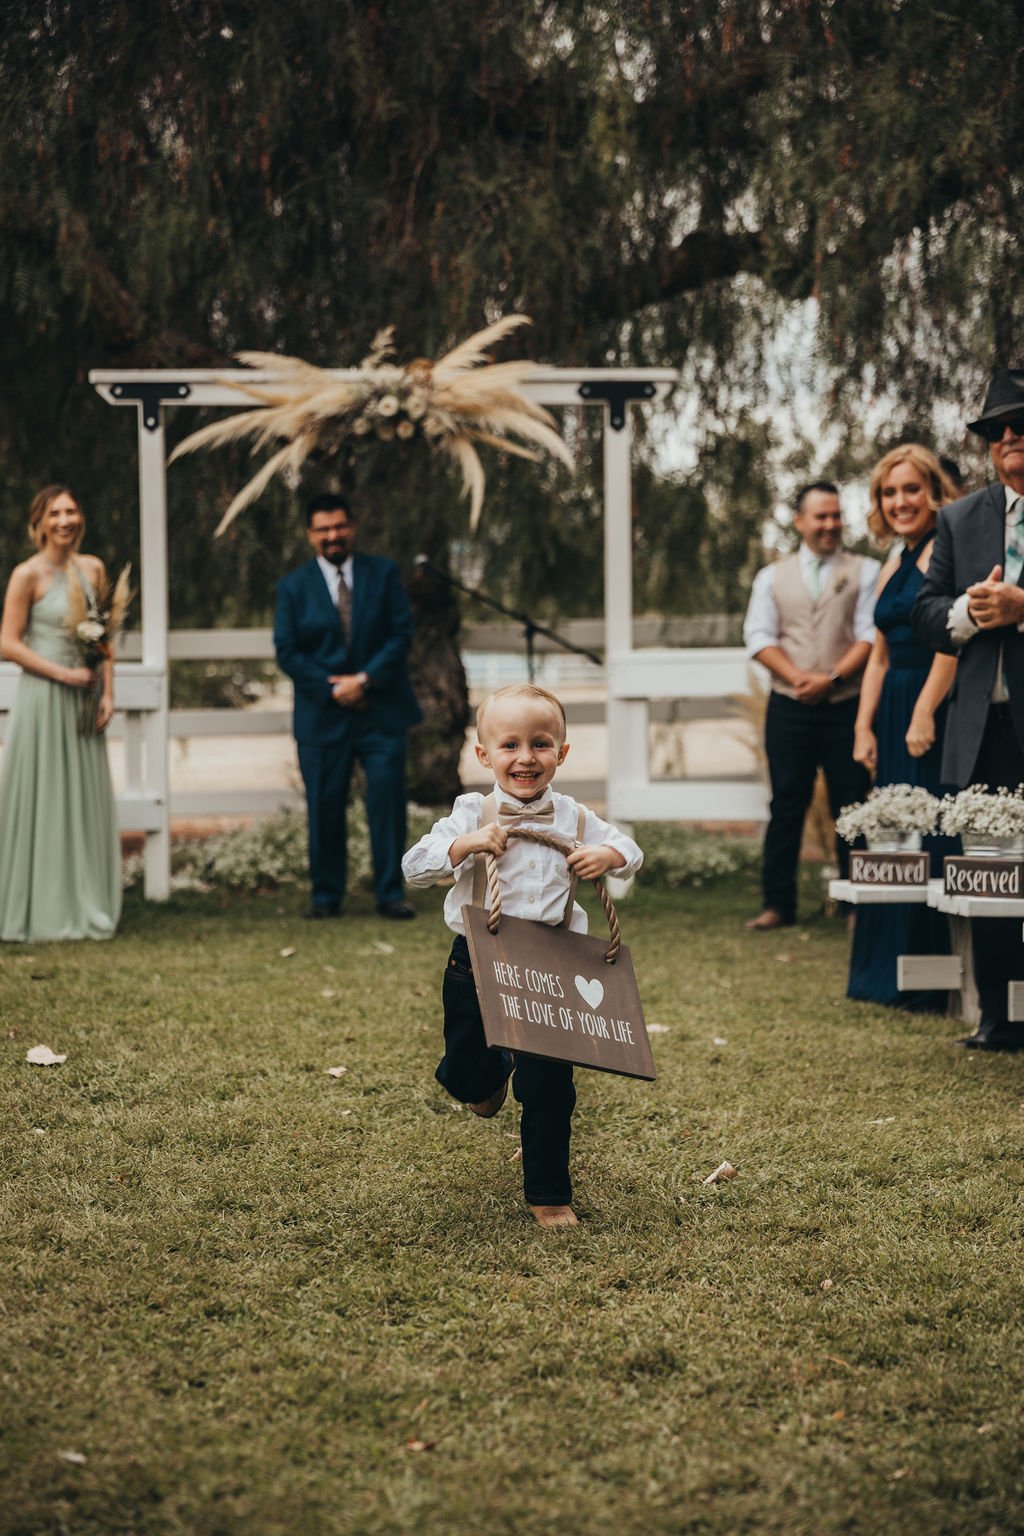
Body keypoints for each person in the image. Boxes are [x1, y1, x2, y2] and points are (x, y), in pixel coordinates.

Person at [402, 683, 643, 1230]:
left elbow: (631, 851)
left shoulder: (574, 818)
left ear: (562, 751)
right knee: (466, 1075)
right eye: (509, 745)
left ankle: (549, 1195)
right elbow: (414, 865)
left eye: (540, 744)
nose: (526, 757)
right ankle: (488, 1079)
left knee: (550, 1088)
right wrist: (465, 845)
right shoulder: (473, 811)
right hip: (476, 962)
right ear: (484, 754)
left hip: (551, 966)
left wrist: (606, 855)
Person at [913, 369, 1024, 1050]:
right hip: (982, 730)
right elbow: (924, 615)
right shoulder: (959, 519)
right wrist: (972, 612)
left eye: (1022, 426)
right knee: (990, 873)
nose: (1010, 438)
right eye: (997, 430)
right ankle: (999, 1018)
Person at [274, 492, 422, 920]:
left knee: (387, 805)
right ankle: (325, 896)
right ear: (310, 534)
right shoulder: (292, 586)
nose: (333, 535)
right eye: (323, 529)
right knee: (324, 807)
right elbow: (287, 650)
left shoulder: (384, 573)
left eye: (339, 526)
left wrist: (365, 680)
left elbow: (401, 634)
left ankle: (391, 893)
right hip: (322, 715)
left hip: (382, 710)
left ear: (352, 527)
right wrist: (333, 689)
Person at [847, 445, 959, 1007]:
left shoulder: (949, 550)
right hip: (892, 704)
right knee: (895, 831)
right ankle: (885, 973)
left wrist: (924, 711)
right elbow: (878, 654)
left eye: (911, 489)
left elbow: (954, 640)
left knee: (933, 830)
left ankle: (932, 979)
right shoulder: (893, 561)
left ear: (934, 491)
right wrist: (863, 726)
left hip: (934, 702)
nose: (900, 501)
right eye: (889, 492)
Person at [743, 482, 879, 930]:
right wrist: (799, 678)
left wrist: (832, 678)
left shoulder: (866, 570)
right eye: (821, 516)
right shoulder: (771, 577)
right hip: (790, 706)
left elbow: (869, 635)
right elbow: (758, 636)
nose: (830, 524)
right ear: (800, 521)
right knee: (786, 804)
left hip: (846, 705)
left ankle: (858, 905)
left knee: (851, 804)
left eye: (836, 515)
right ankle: (777, 905)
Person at [0, 485, 122, 942]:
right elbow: (7, 643)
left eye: (71, 511)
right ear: (40, 523)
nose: (65, 520)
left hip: (85, 699)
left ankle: (84, 900)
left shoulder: (93, 568)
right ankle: (39, 907)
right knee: (45, 795)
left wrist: (109, 692)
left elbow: (104, 639)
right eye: (55, 513)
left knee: (81, 800)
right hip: (44, 697)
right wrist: (62, 674)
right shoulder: (26, 575)